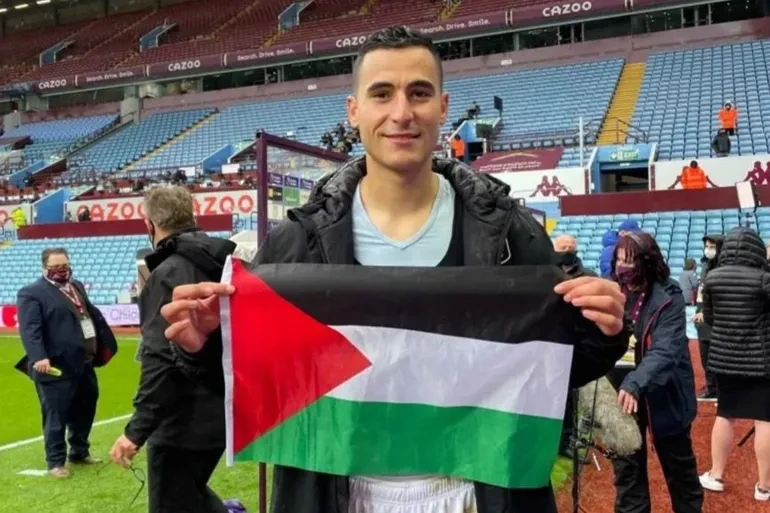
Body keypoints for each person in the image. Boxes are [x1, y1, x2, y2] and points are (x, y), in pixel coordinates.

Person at [158, 26, 629, 513]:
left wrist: (602, 331)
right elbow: (264, 384)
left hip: (474, 493)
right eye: (382, 93)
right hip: (338, 495)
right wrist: (206, 346)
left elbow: (550, 370)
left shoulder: (509, 232)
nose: (401, 113)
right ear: (354, 110)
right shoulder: (297, 242)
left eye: (418, 93)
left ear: (443, 107)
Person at [108, 187, 236, 513]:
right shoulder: (224, 261)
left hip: (184, 420)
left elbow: (161, 359)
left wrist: (136, 431)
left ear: (150, 224)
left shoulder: (169, 272)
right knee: (191, 493)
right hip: (224, 409)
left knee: (173, 501)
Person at [609, 232, 703, 513]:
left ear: (646, 262)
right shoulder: (612, 292)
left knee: (681, 474)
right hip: (621, 398)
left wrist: (636, 383)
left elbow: (665, 350)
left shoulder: (668, 296)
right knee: (628, 477)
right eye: (619, 260)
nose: (622, 267)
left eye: (629, 261)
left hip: (664, 396)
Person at [16, 247, 117, 478]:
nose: (62, 270)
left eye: (65, 265)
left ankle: (80, 451)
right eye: (56, 267)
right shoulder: (32, 293)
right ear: (44, 268)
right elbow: (30, 329)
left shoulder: (76, 286)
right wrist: (38, 356)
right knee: (56, 414)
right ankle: (55, 461)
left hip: (84, 362)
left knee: (86, 406)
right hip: (55, 366)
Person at [699, 227, 770, 502]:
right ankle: (764, 486)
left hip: (724, 359)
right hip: (761, 361)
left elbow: (710, 319)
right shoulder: (764, 279)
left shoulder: (712, 278)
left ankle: (716, 475)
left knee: (725, 414)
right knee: (764, 419)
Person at [693, 234, 723, 401]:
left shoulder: (723, 268)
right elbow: (702, 292)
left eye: (712, 247)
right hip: (703, 319)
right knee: (705, 356)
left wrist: (705, 311)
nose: (708, 250)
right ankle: (712, 388)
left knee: (716, 357)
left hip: (715, 319)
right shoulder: (705, 265)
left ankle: (720, 389)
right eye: (706, 246)